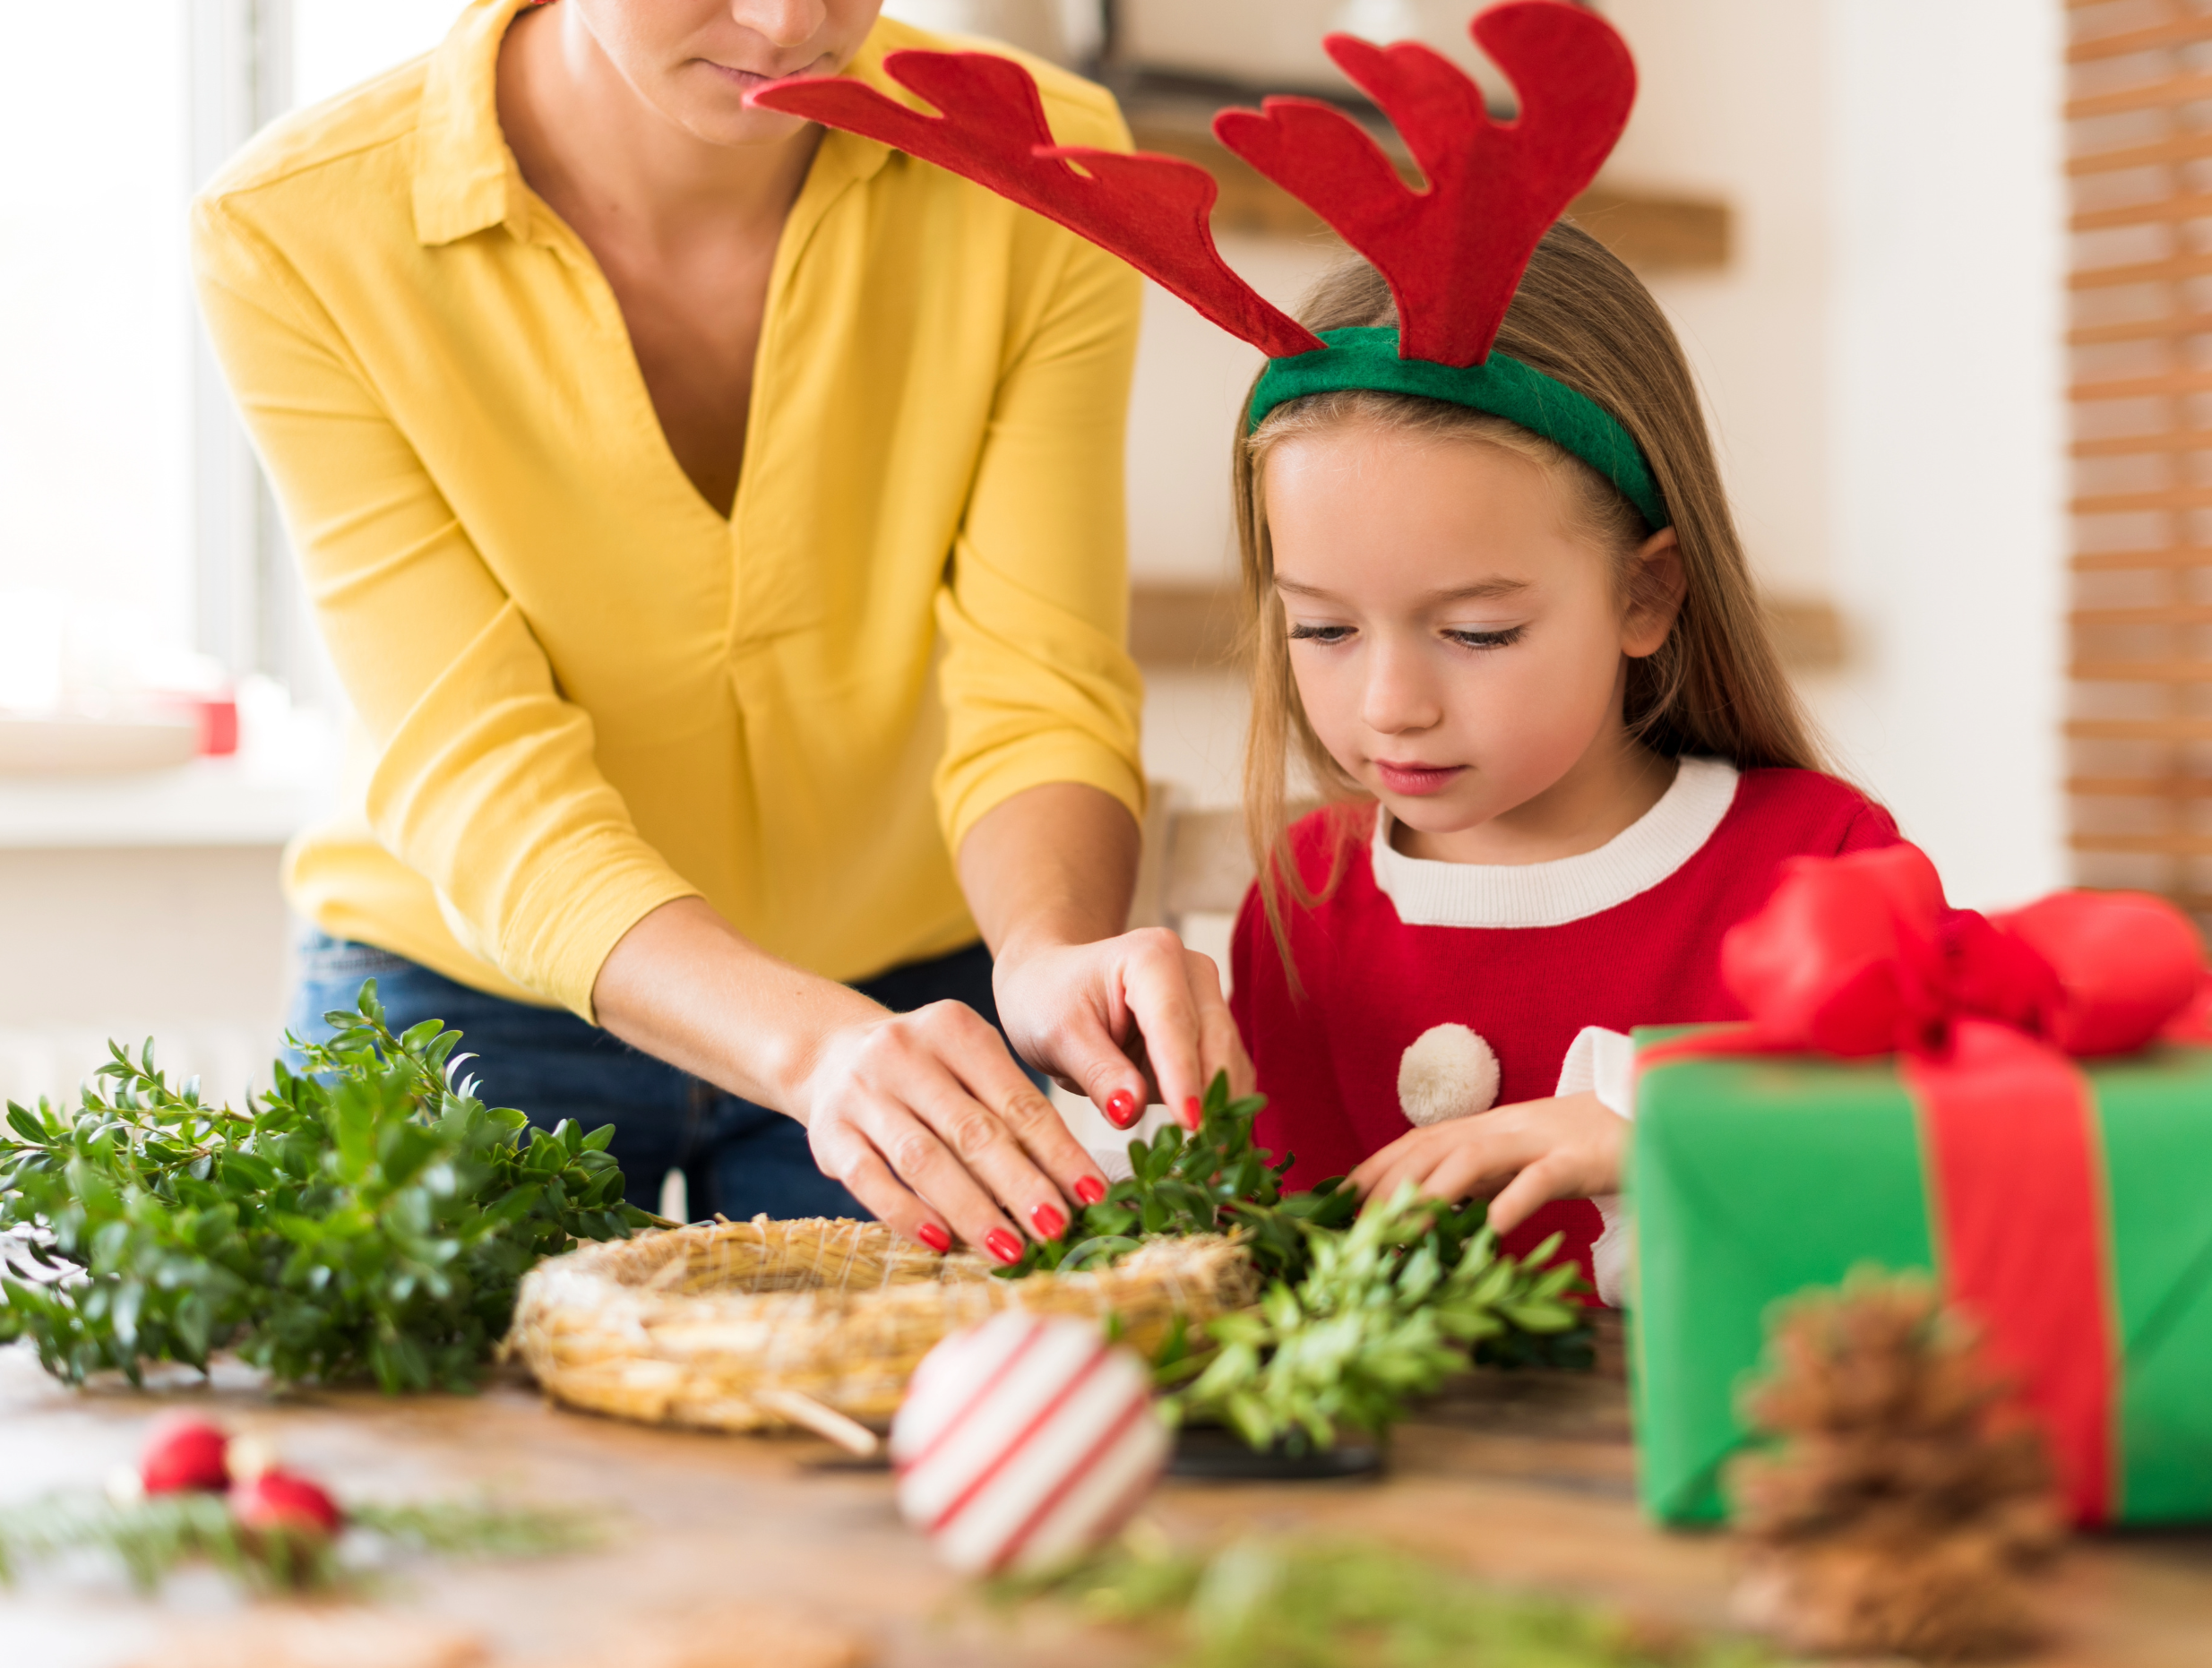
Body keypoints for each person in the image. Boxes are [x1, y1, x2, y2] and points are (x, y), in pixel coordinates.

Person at [191, 0, 1246, 1262]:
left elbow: (1041, 678)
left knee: (920, 1446)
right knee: (436, 1452)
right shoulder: (297, 227)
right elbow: (474, 764)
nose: (790, 20)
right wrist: (808, 1044)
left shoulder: (1036, 161)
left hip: (908, 994)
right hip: (472, 995)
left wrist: (1046, 947)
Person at [1225, 229, 1905, 1300]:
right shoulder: (1303, 901)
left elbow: (1938, 1167)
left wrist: (1669, 1130)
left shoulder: (1820, 865)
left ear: (1646, 595)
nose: (1388, 706)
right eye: (1321, 629)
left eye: (1480, 632)